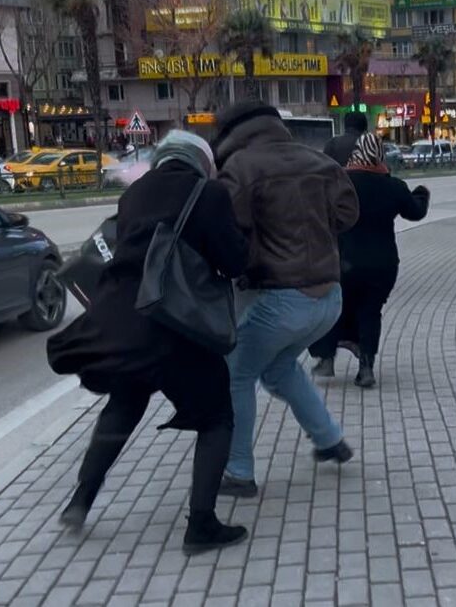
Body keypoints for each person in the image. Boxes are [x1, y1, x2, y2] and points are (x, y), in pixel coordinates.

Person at [46, 131, 250, 554]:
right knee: (216, 417)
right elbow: (233, 261)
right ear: (201, 161)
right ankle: (201, 525)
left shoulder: (135, 194)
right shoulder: (207, 193)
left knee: (123, 403)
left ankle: (80, 501)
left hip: (122, 323)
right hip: (176, 323)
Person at [211, 102, 359, 499]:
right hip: (329, 297)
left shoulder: (240, 168)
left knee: (236, 376)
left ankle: (238, 471)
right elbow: (348, 214)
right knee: (278, 369)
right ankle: (330, 440)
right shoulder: (320, 161)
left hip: (280, 299)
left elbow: (225, 230)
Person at [310, 133, 430, 387]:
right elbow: (415, 212)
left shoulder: (341, 183)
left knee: (334, 306)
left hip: (344, 262)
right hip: (382, 264)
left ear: (356, 153)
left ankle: (326, 357)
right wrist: (421, 194)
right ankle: (366, 367)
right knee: (370, 311)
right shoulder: (393, 186)